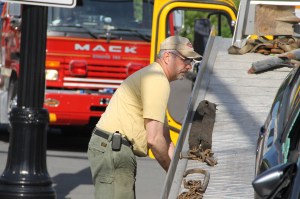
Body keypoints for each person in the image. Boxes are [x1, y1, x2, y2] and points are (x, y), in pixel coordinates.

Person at [87, 35, 201, 199]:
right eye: (186, 60)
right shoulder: (157, 80)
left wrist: (180, 176)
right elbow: (154, 139)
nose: (189, 67)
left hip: (113, 147)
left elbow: (166, 140)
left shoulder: (154, 77)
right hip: (114, 148)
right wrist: (173, 176)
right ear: (168, 57)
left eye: (191, 62)